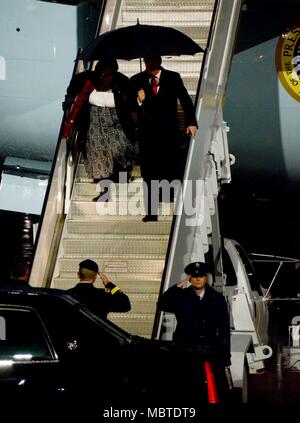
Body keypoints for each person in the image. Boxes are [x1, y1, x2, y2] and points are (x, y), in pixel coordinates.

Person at [130, 56, 198, 222]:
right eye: (147, 62)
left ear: (159, 62)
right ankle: (151, 213)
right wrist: (138, 100)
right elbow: (129, 107)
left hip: (169, 134)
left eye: (153, 62)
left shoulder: (173, 77)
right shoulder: (136, 80)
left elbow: (185, 100)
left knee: (170, 169)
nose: (150, 65)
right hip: (148, 135)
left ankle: (170, 201)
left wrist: (191, 122)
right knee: (149, 175)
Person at [63, 57, 137, 201]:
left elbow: (132, 103)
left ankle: (122, 175)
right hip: (95, 124)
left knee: (120, 150)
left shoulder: (122, 81)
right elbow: (72, 90)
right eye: (103, 74)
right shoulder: (85, 79)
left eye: (109, 75)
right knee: (99, 159)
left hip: (117, 122)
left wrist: (137, 98)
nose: (105, 78)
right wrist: (68, 99)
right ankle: (105, 191)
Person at [157, 261, 231, 401]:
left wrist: (225, 356)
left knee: (211, 393)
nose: (198, 279)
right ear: (190, 278)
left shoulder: (217, 299)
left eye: (201, 276)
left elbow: (224, 329)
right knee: (186, 392)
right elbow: (162, 304)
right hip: (185, 353)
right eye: (195, 276)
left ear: (206, 278)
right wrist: (176, 288)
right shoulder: (181, 297)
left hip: (208, 353)